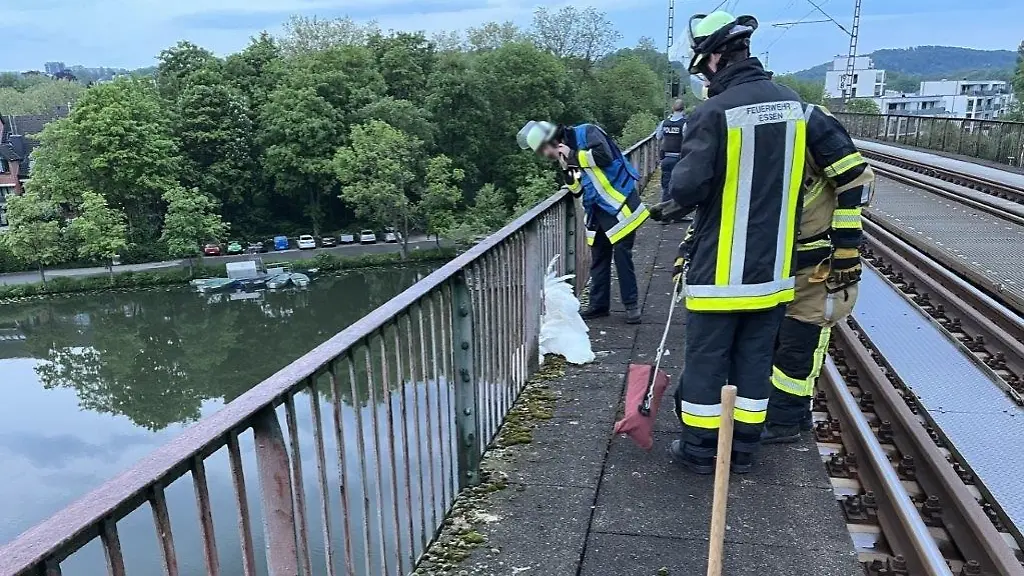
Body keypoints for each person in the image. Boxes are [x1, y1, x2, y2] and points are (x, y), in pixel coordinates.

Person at [660, 10, 809, 475]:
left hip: (722, 269)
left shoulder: (712, 113)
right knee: (754, 360)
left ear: (717, 56)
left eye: (703, 63)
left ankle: (701, 450)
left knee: (706, 361)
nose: (703, 72)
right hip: (776, 269)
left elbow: (686, 188)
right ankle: (742, 448)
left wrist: (664, 210)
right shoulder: (792, 105)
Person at [760, 108, 875, 443]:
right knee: (784, 340)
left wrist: (847, 249)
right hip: (785, 259)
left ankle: (785, 422)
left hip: (816, 262)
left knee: (798, 344)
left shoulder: (811, 125)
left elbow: (855, 180)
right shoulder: (767, 125)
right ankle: (794, 414)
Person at [517, 120, 650, 324]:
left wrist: (573, 156)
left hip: (620, 205)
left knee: (623, 257)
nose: (548, 157)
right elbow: (577, 190)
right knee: (599, 258)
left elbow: (604, 156)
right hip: (597, 211)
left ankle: (631, 306)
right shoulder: (565, 154)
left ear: (553, 141)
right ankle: (598, 305)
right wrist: (566, 170)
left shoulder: (588, 133)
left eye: (546, 151)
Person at [655, 100, 690, 223]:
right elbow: (688, 140)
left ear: (672, 108)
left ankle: (664, 216)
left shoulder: (664, 123)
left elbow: (658, 137)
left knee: (666, 186)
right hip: (679, 159)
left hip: (666, 158)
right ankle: (677, 214)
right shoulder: (685, 124)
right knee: (680, 186)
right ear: (683, 109)